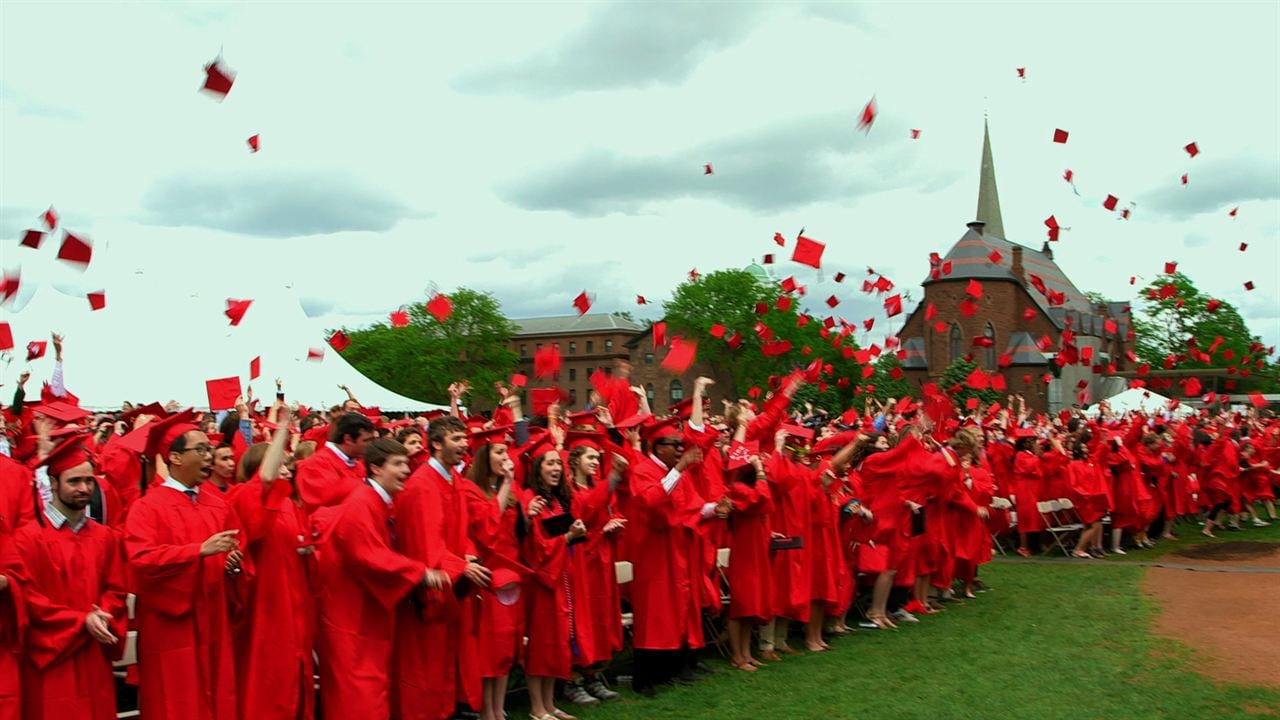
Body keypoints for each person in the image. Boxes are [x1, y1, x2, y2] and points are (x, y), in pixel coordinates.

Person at [123, 411, 249, 720]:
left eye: (210, 450)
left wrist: (233, 568)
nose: (210, 456)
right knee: (177, 703)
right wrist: (198, 551)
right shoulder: (147, 507)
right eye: (202, 450)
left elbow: (238, 560)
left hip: (214, 621)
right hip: (171, 630)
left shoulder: (218, 505)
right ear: (176, 458)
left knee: (217, 697)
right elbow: (141, 560)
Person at [313, 438, 446, 720]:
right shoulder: (362, 504)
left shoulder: (377, 502)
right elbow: (368, 555)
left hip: (362, 615)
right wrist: (419, 572)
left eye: (406, 464)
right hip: (350, 618)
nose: (406, 471)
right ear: (375, 468)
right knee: (358, 697)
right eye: (397, 464)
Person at [13, 436, 129, 720]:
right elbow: (29, 599)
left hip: (93, 654)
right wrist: (81, 621)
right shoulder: (29, 538)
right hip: (52, 658)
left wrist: (103, 614)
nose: (84, 488)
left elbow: (116, 589)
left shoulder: (104, 537)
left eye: (89, 482)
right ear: (53, 484)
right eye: (74, 481)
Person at [393, 416, 489, 720]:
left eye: (464, 439)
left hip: (451, 585)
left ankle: (449, 709)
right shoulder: (422, 485)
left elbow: (462, 534)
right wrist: (460, 566)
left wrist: (469, 556)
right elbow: (425, 544)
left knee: (446, 660)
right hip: (428, 592)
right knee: (426, 666)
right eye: (456, 439)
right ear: (436, 444)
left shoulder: (453, 480)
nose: (464, 444)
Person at [227, 407, 317, 720]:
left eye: (289, 466)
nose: (287, 472)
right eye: (282, 465)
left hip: (293, 607)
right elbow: (265, 479)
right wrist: (282, 427)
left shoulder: (290, 504)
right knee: (268, 687)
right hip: (265, 609)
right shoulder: (244, 496)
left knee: (294, 679)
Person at [519, 435, 586, 720]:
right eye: (549, 463)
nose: (556, 468)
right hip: (541, 582)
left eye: (558, 463)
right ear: (537, 468)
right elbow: (535, 547)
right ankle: (537, 708)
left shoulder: (556, 501)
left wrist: (574, 533)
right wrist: (568, 537)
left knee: (556, 642)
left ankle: (549, 705)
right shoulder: (530, 499)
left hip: (560, 579)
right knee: (541, 644)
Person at [296, 412, 375, 515]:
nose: (371, 445)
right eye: (366, 440)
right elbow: (324, 508)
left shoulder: (358, 464)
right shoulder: (314, 466)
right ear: (348, 439)